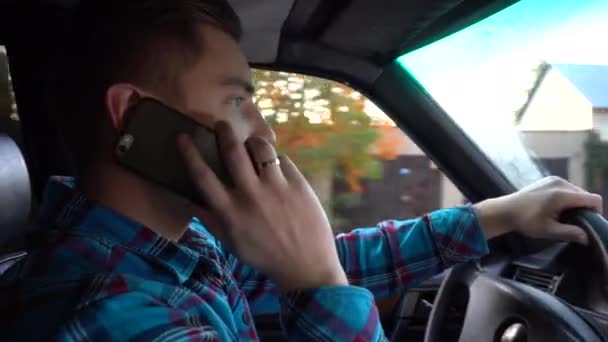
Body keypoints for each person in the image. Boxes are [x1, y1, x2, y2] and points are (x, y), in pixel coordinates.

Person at [0, 0, 601, 341]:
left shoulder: (172, 249)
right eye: (238, 100)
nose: (265, 132)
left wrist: (497, 214)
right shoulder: (119, 319)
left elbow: (323, 266)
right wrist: (319, 287)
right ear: (134, 116)